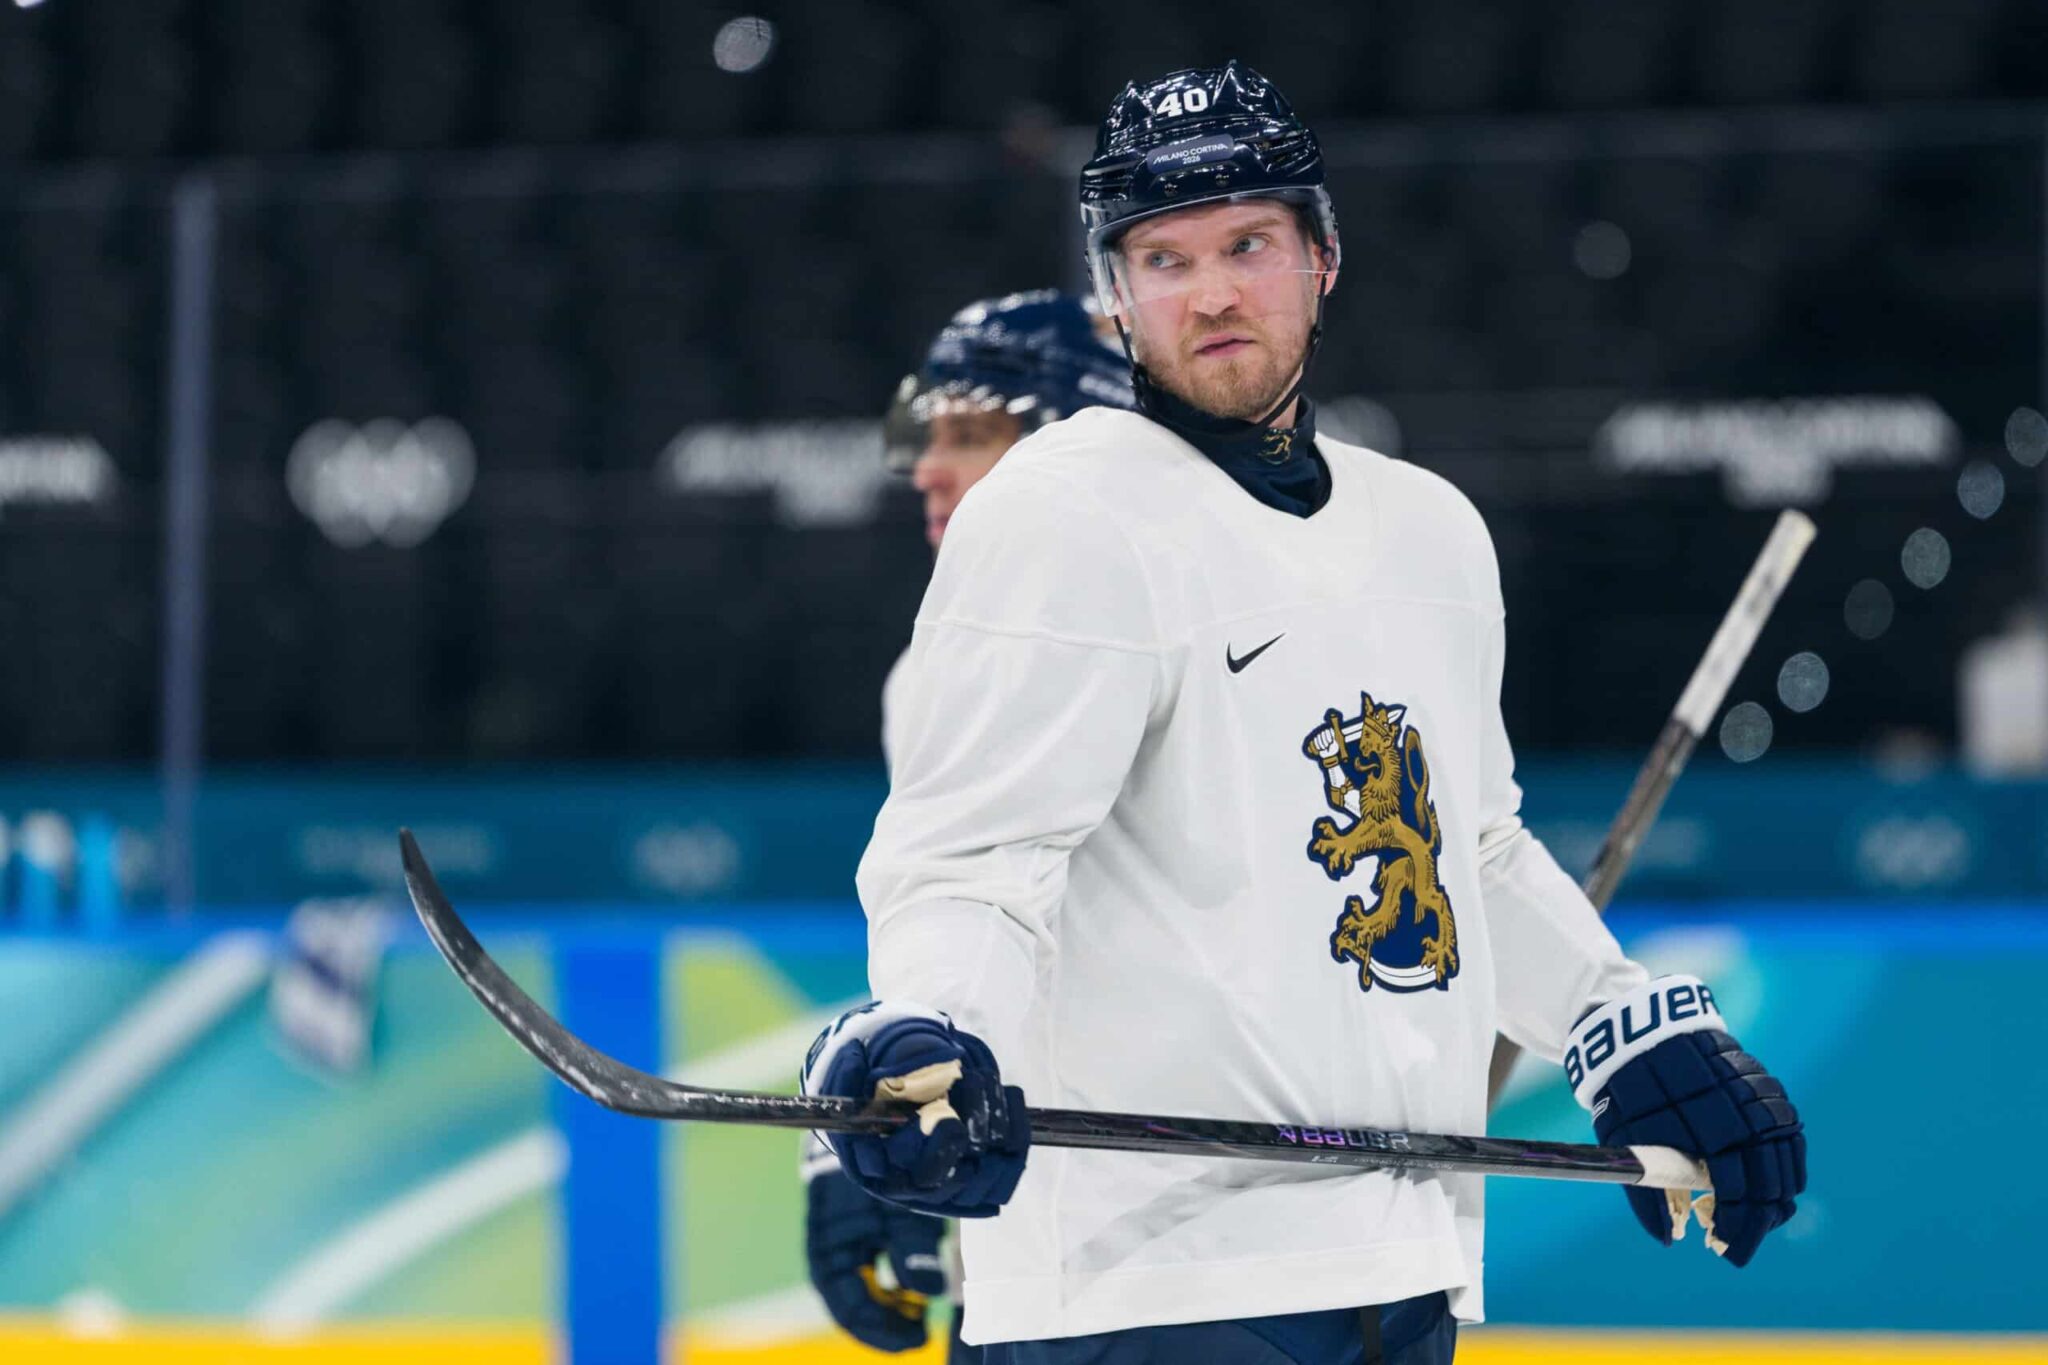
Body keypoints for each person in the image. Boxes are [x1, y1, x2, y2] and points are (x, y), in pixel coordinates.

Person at [803, 63, 1805, 1365]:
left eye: (1247, 245)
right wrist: (933, 1036)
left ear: (1322, 256)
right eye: (1163, 260)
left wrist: (1615, 1028)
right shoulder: (1061, 514)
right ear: (1114, 296)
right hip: (1146, 1293)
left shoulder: (1430, 529)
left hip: (1402, 1267)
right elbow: (970, 865)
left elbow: (1471, 850)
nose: (1211, 292)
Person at [801, 290, 1134, 1361]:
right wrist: (857, 1122)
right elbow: (958, 911)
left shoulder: (1190, 614)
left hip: (1206, 1259)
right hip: (1033, 1250)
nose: (927, 471)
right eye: (928, 435)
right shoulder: (931, 667)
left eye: (973, 434)